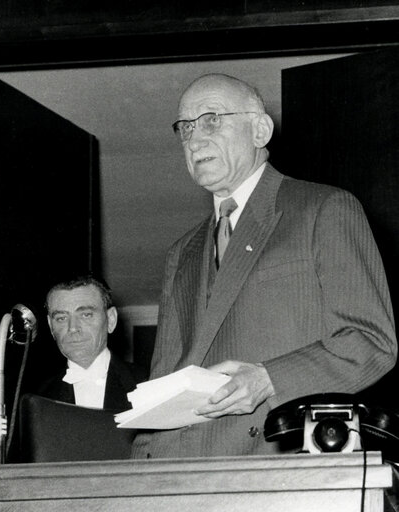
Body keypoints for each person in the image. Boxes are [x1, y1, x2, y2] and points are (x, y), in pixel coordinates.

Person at [132, 74, 397, 459]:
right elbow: (166, 382)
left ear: (260, 130)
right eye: (185, 128)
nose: (193, 139)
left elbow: (371, 341)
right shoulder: (181, 253)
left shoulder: (325, 209)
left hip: (275, 461)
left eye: (211, 119)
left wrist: (267, 379)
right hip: (184, 473)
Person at [38, 276, 147, 410]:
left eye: (86, 315)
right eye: (61, 318)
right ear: (50, 326)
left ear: (111, 320)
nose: (73, 328)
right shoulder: (37, 398)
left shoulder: (148, 383)